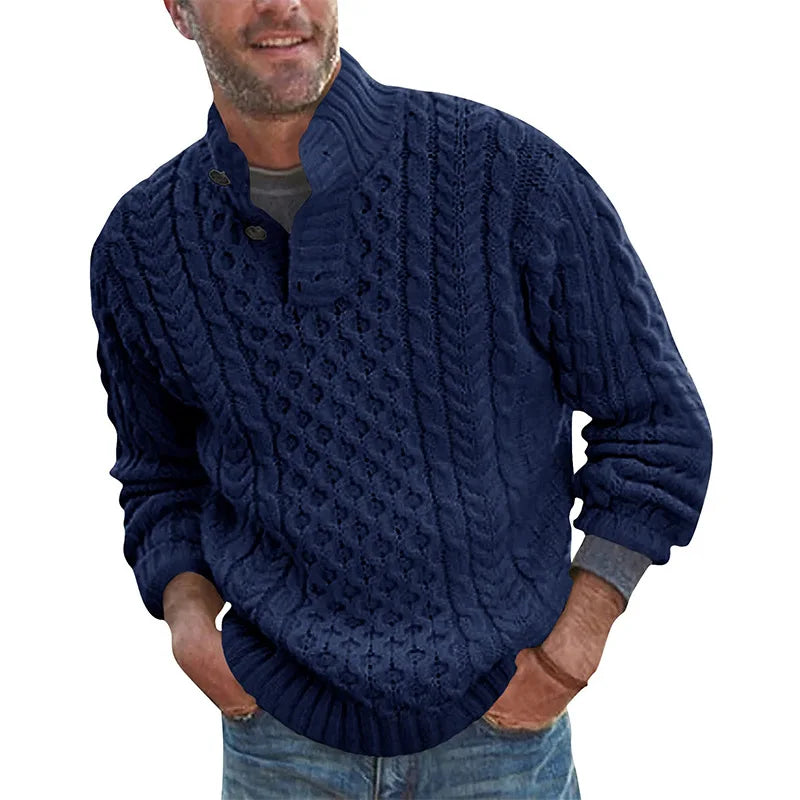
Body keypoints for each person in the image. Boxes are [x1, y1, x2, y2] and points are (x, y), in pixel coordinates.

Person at [89, 1, 713, 797]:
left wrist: (572, 649)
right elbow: (159, 470)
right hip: (276, 742)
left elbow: (657, 424)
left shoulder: (506, 175)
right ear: (179, 8)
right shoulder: (142, 243)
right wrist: (187, 622)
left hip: (500, 735)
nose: (283, 4)